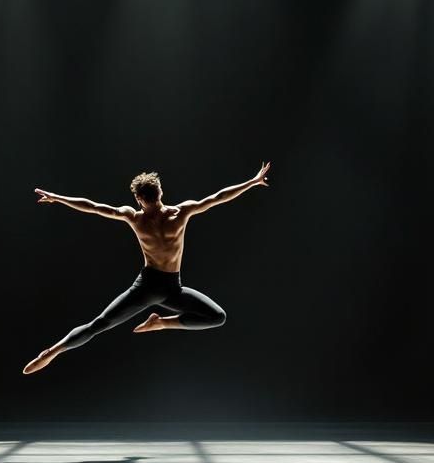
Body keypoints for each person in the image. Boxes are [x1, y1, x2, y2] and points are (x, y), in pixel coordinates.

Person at [23, 161, 272, 375]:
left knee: (98, 325)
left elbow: (94, 207)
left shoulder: (135, 216)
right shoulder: (180, 213)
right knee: (217, 318)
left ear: (139, 199)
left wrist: (58, 198)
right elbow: (217, 198)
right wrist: (252, 181)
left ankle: (159, 323)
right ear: (160, 192)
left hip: (163, 287)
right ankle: (53, 351)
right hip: (159, 287)